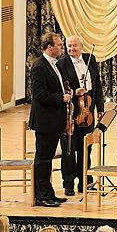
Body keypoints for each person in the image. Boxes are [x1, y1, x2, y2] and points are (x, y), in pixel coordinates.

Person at [28, 32, 72, 207]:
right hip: (45, 121)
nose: (62, 47)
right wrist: (61, 98)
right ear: (49, 47)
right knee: (43, 159)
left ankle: (49, 193)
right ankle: (41, 196)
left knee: (47, 159)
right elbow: (39, 95)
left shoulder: (55, 64)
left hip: (54, 121)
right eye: (59, 44)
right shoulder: (39, 66)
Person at [58, 35, 104, 196]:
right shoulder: (61, 64)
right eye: (69, 46)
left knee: (86, 147)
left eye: (74, 46)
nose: (71, 49)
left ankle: (85, 180)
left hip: (88, 107)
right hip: (71, 110)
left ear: (81, 46)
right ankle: (68, 183)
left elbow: (97, 84)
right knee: (69, 148)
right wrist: (73, 91)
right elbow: (60, 87)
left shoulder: (90, 59)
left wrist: (99, 107)